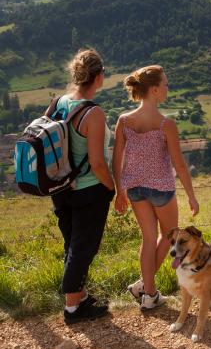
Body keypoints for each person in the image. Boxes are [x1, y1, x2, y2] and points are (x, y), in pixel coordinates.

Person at [112, 65, 199, 310]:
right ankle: (146, 288)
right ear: (154, 90)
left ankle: (147, 291)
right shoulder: (165, 124)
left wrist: (120, 190)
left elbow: (116, 158)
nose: (168, 88)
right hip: (161, 188)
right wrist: (191, 196)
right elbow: (180, 165)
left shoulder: (124, 121)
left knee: (148, 238)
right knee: (170, 238)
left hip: (135, 188)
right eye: (166, 84)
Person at [52, 48, 115, 324]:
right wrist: (111, 187)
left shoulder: (59, 102)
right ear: (99, 77)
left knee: (72, 243)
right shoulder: (94, 114)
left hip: (61, 187)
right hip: (89, 190)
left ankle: (78, 295)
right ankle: (73, 309)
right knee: (83, 247)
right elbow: (98, 162)